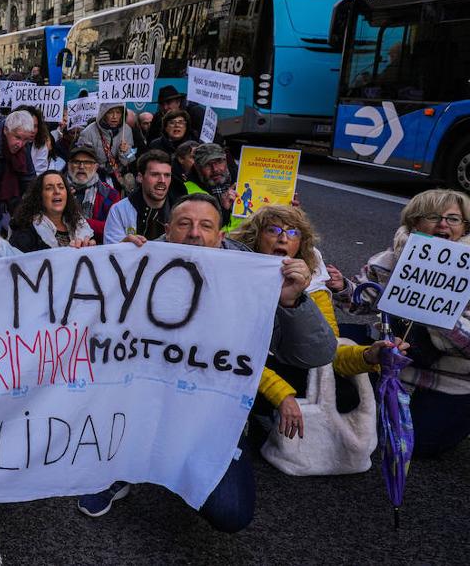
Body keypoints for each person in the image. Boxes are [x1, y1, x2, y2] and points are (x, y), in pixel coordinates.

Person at [76, 193, 336, 531]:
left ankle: (181, 463)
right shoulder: (141, 259)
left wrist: (291, 303)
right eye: (184, 224)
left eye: (205, 226)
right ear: (167, 231)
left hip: (212, 418)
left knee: (231, 513)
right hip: (141, 405)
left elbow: (315, 354)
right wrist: (99, 268)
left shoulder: (256, 279)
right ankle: (122, 468)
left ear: (221, 236)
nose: (194, 233)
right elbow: (90, 327)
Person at [230, 205, 393, 448]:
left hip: (283, 364)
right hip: (235, 369)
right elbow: (228, 351)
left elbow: (330, 352)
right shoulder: (234, 274)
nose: (283, 238)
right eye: (273, 230)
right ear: (255, 237)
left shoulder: (314, 285)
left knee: (346, 395)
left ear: (301, 245)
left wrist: (369, 355)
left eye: (293, 233)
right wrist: (281, 394)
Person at [336, 189, 470, 458]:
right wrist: (342, 287)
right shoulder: (394, 255)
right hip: (388, 353)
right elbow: (363, 299)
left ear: (465, 226)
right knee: (327, 341)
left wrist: (436, 313)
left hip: (450, 376)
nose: (443, 224)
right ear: (414, 222)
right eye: (433, 216)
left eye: (453, 219)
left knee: (418, 445)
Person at [9, 170, 94, 251]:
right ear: (39, 196)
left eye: (61, 187)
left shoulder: (80, 225)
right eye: (49, 188)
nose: (57, 191)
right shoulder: (25, 232)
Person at [103, 150, 176, 244]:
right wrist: (123, 244)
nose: (162, 180)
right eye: (155, 174)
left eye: (167, 175)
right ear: (140, 177)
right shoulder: (119, 210)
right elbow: (109, 252)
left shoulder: (181, 210)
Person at [65, 145, 121, 242]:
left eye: (87, 162)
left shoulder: (110, 194)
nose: (81, 166)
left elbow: (114, 229)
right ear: (69, 165)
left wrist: (80, 222)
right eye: (76, 162)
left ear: (96, 167)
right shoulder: (56, 191)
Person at [75, 103, 133, 192]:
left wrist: (125, 152)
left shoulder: (127, 130)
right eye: (110, 112)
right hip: (95, 177)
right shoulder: (88, 132)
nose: (114, 116)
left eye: (118, 112)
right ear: (104, 114)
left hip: (118, 178)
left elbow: (130, 159)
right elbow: (81, 158)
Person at [183, 143, 240, 232]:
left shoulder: (243, 181)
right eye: (207, 164)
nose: (215, 169)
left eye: (219, 162)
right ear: (197, 167)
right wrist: (223, 209)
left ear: (226, 160)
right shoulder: (185, 191)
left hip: (243, 243)